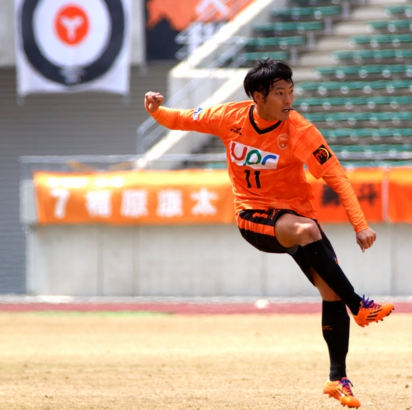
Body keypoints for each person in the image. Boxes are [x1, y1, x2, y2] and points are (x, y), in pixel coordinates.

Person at [144, 58, 394, 409]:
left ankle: (337, 379)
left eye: (291, 91)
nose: (288, 99)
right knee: (307, 231)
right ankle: (360, 305)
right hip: (253, 217)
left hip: (298, 221)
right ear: (257, 97)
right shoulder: (228, 117)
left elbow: (337, 176)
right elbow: (181, 119)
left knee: (330, 290)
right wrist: (156, 110)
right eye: (279, 93)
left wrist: (361, 224)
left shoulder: (300, 131)